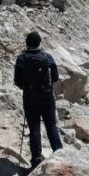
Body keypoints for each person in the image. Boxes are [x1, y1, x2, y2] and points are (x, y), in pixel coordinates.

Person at [13, 31, 62, 166]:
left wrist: (27, 87)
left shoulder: (22, 59)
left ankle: (36, 159)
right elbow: (56, 78)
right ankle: (59, 153)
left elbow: (17, 81)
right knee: (51, 126)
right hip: (47, 97)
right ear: (39, 43)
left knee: (34, 128)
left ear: (27, 44)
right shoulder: (48, 57)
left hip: (30, 98)